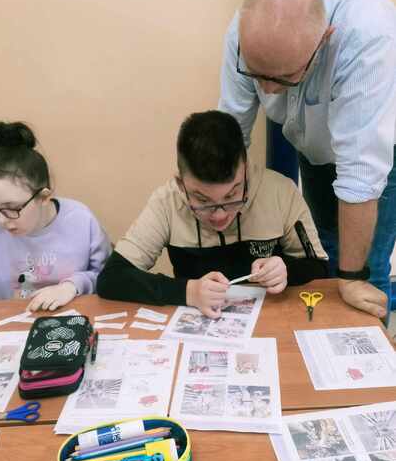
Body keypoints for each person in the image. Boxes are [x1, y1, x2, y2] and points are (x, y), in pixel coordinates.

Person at [219, 0, 396, 320]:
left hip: (380, 156)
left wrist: (351, 278)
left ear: (325, 39)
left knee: (365, 276)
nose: (268, 91)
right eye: (256, 74)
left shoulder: (368, 34)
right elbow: (232, 129)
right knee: (324, 249)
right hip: (313, 148)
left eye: (283, 78)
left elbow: (361, 174)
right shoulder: (245, 29)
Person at [97, 110, 328, 317]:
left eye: (231, 196)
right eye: (202, 200)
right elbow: (112, 278)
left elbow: (320, 268)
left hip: (272, 322)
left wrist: (286, 269)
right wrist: (188, 292)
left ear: (246, 172)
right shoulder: (166, 202)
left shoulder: (280, 191)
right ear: (180, 184)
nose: (219, 216)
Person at [0, 121, 111, 311]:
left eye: (11, 208)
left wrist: (71, 286)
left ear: (44, 197)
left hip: (75, 319)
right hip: (8, 324)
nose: (1, 219)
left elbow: (107, 276)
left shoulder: (81, 220)